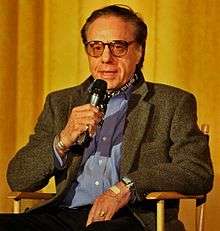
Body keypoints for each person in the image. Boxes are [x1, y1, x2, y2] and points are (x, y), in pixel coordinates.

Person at [1, 4, 213, 231]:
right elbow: (18, 178)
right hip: (65, 215)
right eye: (96, 47)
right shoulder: (61, 102)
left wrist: (126, 187)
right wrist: (61, 141)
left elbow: (197, 171)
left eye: (118, 47)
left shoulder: (171, 102)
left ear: (139, 51)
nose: (106, 58)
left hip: (133, 218)